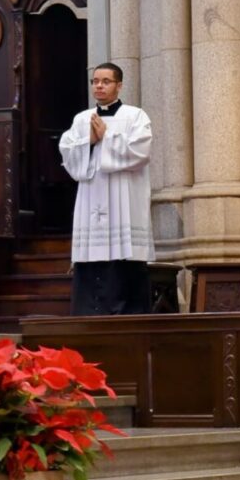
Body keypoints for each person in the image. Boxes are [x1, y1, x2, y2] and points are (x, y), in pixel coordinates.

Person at [59, 62, 153, 315]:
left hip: (125, 198)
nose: (99, 86)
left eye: (106, 81)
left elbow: (141, 151)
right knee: (93, 259)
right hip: (93, 195)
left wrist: (108, 137)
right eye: (95, 81)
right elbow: (67, 152)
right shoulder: (82, 119)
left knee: (122, 263)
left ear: (119, 85)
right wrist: (88, 141)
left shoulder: (135, 116)